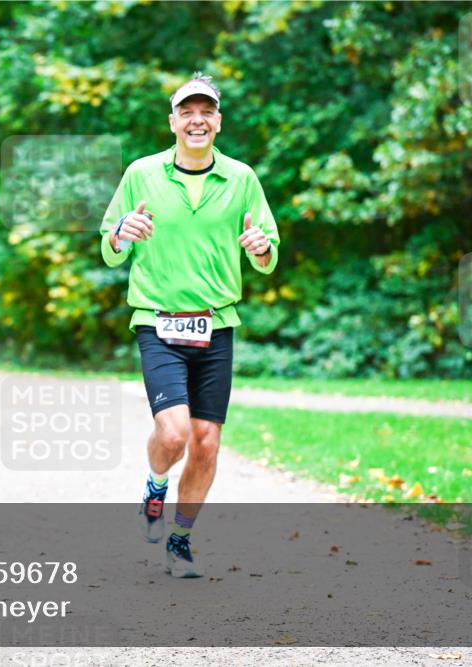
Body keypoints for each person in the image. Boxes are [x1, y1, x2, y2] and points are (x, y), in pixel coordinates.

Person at [98, 73, 279, 578]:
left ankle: (180, 540)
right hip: (157, 320)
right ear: (173, 121)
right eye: (187, 111)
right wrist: (119, 234)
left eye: (207, 111)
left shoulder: (242, 178)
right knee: (174, 433)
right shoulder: (141, 174)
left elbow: (268, 250)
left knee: (206, 441)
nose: (197, 120)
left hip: (217, 323)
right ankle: (155, 485)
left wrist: (261, 248)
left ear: (218, 122)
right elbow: (110, 247)